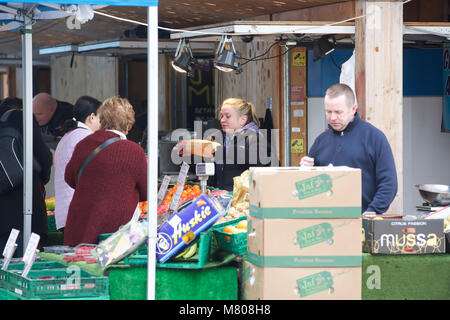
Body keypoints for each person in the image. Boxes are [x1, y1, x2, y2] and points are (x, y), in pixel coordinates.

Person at [299, 83, 398, 215]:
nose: (332, 118)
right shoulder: (320, 141)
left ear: (353, 109)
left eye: (338, 112)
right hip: (326, 222)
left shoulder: (374, 138)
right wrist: (303, 170)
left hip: (363, 221)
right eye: (328, 112)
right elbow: (309, 187)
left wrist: (372, 211)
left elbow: (389, 183)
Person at [63, 96, 147, 246]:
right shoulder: (135, 151)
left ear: (101, 120)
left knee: (79, 267)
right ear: (128, 126)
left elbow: (69, 178)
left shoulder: (83, 144)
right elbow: (146, 192)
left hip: (79, 225)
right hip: (112, 235)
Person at [0, 97, 52, 256]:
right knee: (24, 270)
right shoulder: (21, 118)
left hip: (3, 218)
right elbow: (44, 158)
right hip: (23, 214)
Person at [53, 96, 102, 233]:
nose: (102, 123)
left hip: (63, 212)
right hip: (78, 211)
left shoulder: (67, 136)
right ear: (92, 117)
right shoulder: (85, 137)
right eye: (100, 118)